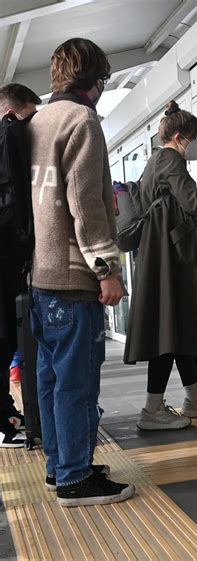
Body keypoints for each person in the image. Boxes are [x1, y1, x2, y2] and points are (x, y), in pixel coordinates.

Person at [27, 38, 135, 506]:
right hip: (73, 277)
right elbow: (86, 205)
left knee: (51, 380)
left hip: (39, 276)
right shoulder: (81, 120)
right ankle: (75, 478)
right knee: (77, 381)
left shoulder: (38, 121)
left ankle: (60, 466)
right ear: (95, 79)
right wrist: (107, 268)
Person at [124, 100, 197, 431]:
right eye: (195, 138)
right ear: (182, 137)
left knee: (177, 327)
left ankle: (194, 398)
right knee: (170, 330)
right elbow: (193, 202)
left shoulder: (154, 161)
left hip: (163, 258)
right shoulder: (170, 158)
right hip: (171, 261)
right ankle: (152, 409)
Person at [0, 83, 41, 447]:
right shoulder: (9, 133)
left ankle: (6, 414)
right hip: (6, 261)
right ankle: (4, 420)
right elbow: (18, 202)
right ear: (13, 111)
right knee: (4, 340)